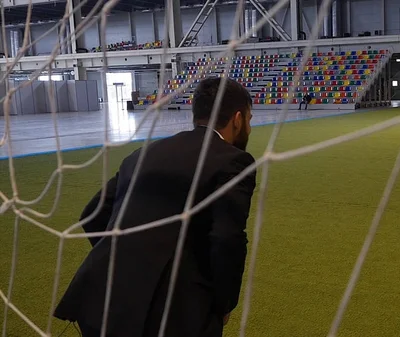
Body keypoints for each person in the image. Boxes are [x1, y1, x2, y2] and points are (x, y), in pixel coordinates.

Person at [54, 77, 257, 337]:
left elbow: (93, 214)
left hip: (102, 301)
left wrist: (126, 261)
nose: (248, 128)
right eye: (249, 120)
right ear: (238, 119)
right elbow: (227, 238)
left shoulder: (142, 153)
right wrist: (225, 302)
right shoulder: (233, 162)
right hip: (170, 317)